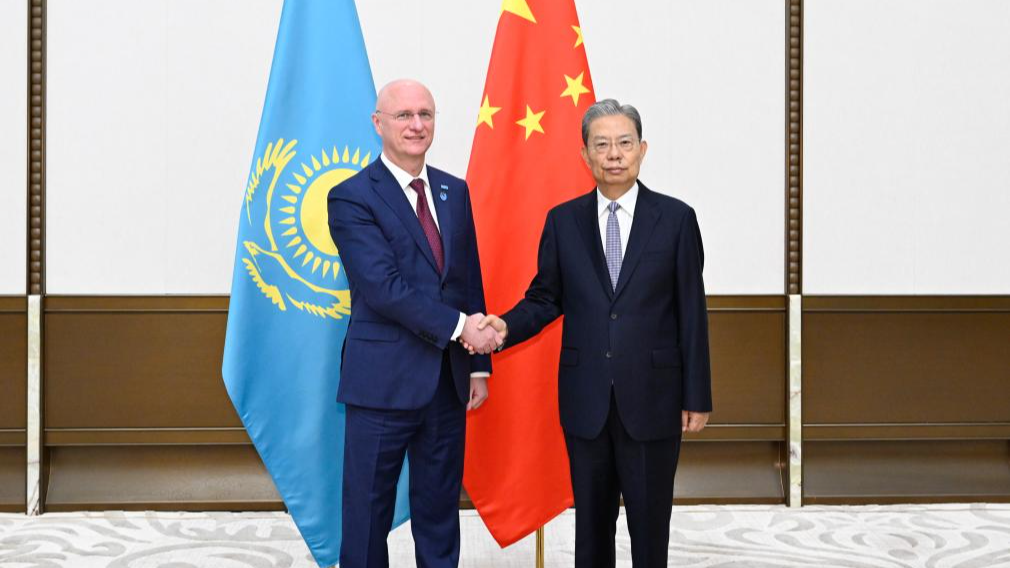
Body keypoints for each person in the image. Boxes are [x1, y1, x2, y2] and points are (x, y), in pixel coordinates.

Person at [476, 99, 712, 568]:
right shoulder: (563, 222)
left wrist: (697, 395)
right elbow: (546, 299)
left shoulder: (677, 219)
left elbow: (692, 311)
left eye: (624, 143)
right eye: (601, 145)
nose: (614, 154)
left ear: (642, 150)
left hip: (654, 398)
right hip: (586, 402)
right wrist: (504, 325)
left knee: (650, 529)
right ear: (584, 156)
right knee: (591, 529)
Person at [327, 79, 500, 568]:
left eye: (425, 114)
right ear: (378, 123)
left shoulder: (453, 190)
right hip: (382, 383)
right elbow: (383, 289)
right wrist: (463, 328)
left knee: (440, 509)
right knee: (367, 514)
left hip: (448, 381)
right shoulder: (352, 197)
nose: (416, 125)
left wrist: (480, 362)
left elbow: (467, 279)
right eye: (403, 115)